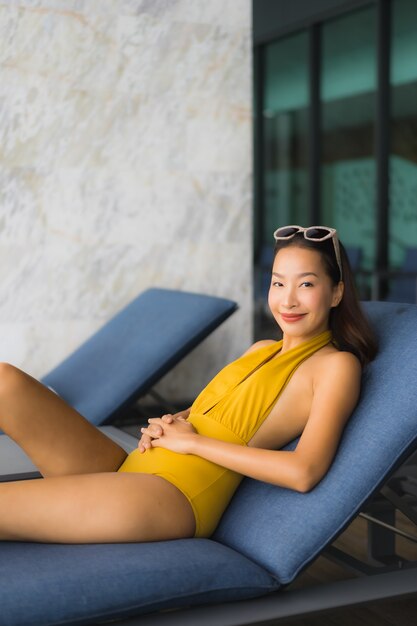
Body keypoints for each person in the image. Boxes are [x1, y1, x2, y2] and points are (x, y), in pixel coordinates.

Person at [0, 225, 377, 543]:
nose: (288, 300)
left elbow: (303, 472)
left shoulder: (336, 366)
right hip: (133, 467)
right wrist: (168, 424)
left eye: (306, 284)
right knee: (6, 381)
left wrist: (192, 442)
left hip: (173, 494)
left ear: (337, 292)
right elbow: (211, 412)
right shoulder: (262, 348)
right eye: (278, 283)